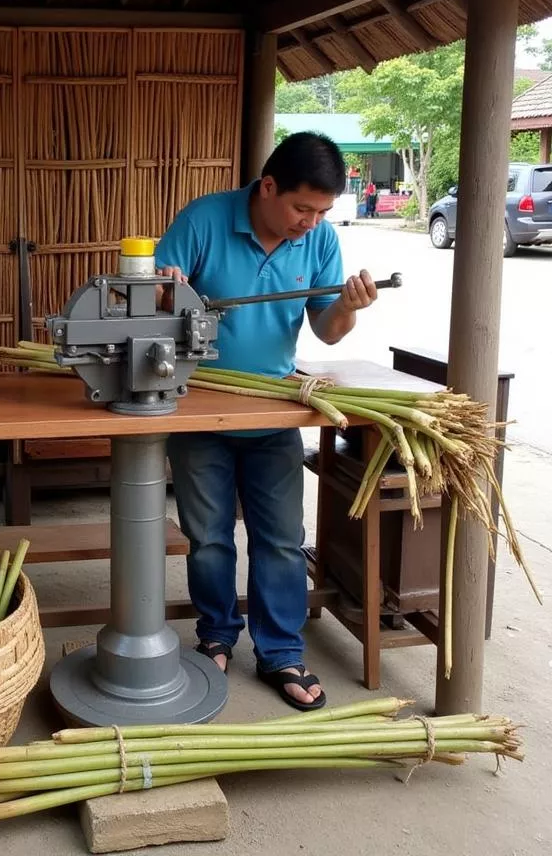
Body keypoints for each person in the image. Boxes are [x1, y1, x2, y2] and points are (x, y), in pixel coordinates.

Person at [155, 132, 378, 711]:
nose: (310, 222)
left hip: (273, 407)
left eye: (322, 211)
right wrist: (164, 293)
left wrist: (347, 308)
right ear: (269, 187)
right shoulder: (204, 219)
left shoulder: (320, 240)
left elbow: (326, 330)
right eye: (302, 208)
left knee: (281, 540)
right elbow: (153, 305)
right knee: (207, 539)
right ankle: (216, 634)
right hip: (199, 405)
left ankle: (280, 649)